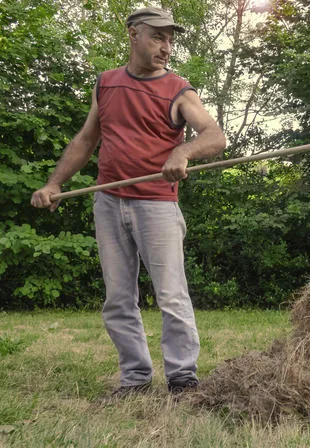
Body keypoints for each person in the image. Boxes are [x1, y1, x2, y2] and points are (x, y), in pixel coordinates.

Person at [30, 7, 227, 397]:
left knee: (171, 295)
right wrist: (54, 183)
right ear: (133, 34)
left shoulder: (179, 90)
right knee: (118, 298)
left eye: (170, 39)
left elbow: (214, 135)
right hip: (108, 202)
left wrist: (183, 152)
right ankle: (135, 379)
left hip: (156, 205)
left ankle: (182, 378)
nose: (166, 47)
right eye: (158, 37)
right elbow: (86, 140)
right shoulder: (107, 84)